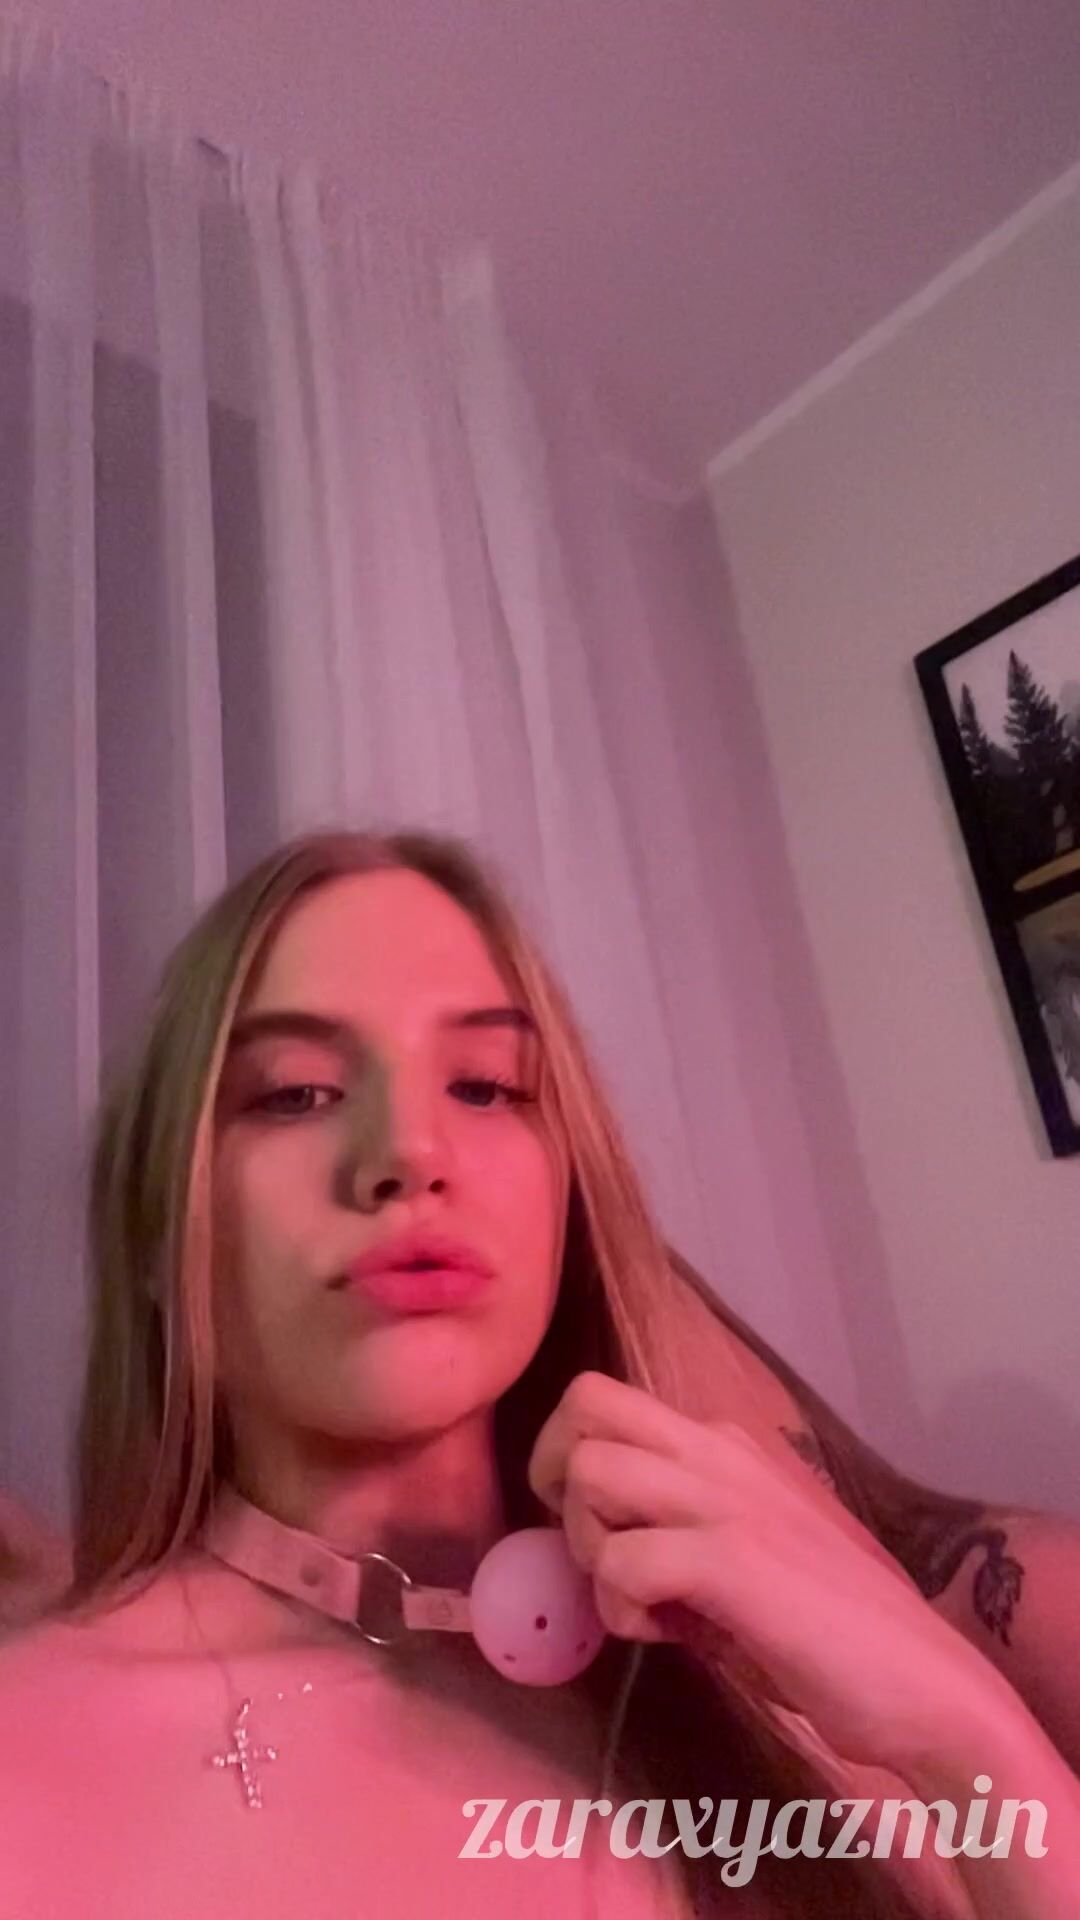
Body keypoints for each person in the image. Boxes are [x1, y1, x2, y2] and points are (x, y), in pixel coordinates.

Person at [0, 826, 1077, 1920]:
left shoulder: (773, 1656)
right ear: (156, 1231)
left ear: (568, 1192)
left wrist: (968, 1731)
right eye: (296, 1094)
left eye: (484, 1086)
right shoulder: (32, 1754)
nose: (409, 1151)